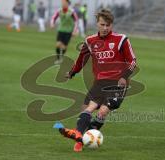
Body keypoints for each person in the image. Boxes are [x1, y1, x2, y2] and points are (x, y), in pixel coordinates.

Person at [58, 9, 137, 152]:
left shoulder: (121, 39)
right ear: (97, 24)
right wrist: (72, 72)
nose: (105, 28)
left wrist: (124, 76)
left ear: (111, 25)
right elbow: (81, 59)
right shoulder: (90, 41)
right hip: (100, 83)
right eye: (102, 24)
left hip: (117, 84)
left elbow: (132, 61)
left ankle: (81, 136)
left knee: (102, 111)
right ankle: (79, 137)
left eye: (108, 25)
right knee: (87, 109)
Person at [50, 0, 78, 64]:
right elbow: (53, 17)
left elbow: (76, 21)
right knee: (58, 44)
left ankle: (61, 58)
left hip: (68, 31)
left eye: (64, 3)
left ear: (68, 3)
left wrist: (74, 31)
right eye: (62, 3)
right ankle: (58, 59)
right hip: (61, 30)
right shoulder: (59, 10)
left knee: (64, 47)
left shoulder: (72, 12)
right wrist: (52, 24)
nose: (63, 4)